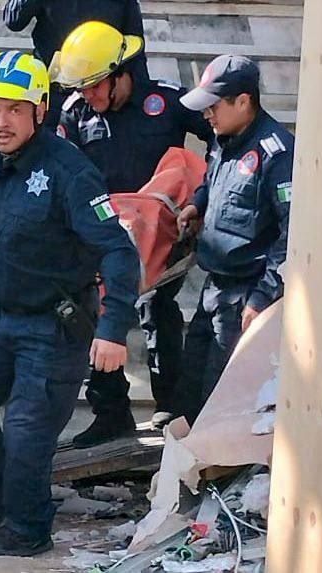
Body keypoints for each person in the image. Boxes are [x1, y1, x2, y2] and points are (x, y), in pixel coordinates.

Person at [0, 50, 139, 557]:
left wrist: (115, 326)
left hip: (50, 330)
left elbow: (118, 250)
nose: (0, 121)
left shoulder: (70, 172)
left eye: (13, 109)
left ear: (40, 109)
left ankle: (27, 528)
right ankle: (0, 497)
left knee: (28, 434)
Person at [52, 21, 214, 446]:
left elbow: (221, 134)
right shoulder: (75, 112)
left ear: (120, 72)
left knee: (158, 311)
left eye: (94, 86)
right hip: (104, 238)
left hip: (162, 234)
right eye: (82, 88)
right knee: (100, 317)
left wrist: (202, 194)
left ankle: (171, 406)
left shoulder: (165, 101)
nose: (87, 95)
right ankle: (111, 414)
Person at [173, 55, 294, 424]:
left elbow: (292, 236)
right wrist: (196, 205)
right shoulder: (222, 139)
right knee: (189, 390)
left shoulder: (277, 153)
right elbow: (212, 181)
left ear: (243, 101)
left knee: (221, 400)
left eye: (213, 105)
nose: (206, 115)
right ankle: (186, 475)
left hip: (247, 297)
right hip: (214, 290)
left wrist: (261, 298)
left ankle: (219, 480)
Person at [2, 0, 145, 127]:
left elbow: (133, 36)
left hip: (103, 92)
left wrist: (129, 75)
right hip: (56, 92)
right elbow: (14, 20)